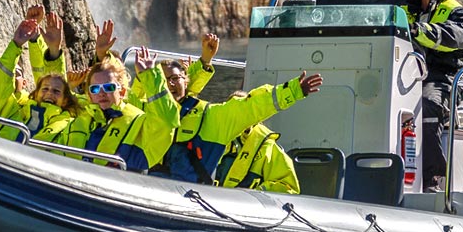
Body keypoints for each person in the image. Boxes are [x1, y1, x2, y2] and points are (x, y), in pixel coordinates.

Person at [156, 54, 323, 186]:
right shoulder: (146, 112)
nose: (170, 85)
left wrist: (293, 91)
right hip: (152, 187)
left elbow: (251, 107)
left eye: (175, 79)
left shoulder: (211, 116)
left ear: (185, 81)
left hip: (185, 194)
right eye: (163, 81)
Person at [401, 0, 463, 192]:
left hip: (443, 79)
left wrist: (419, 30)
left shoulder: (458, 13)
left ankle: (432, 181)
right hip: (404, 76)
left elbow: (457, 37)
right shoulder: (402, 11)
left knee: (427, 105)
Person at [65, 48, 179, 173]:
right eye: (95, 89)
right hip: (71, 183)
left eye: (109, 87)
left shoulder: (138, 121)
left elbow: (167, 122)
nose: (102, 93)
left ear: (122, 91)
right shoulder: (79, 119)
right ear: (89, 95)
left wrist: (150, 76)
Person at [0, 10, 80, 144]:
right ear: (35, 93)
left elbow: (56, 79)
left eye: (56, 92)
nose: (49, 93)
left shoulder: (70, 126)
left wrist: (54, 50)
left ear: (65, 101)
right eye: (44, 89)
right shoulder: (13, 113)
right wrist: (15, 44)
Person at [216, 117, 300, 195]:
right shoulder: (214, 137)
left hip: (246, 209)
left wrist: (257, 193)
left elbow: (289, 190)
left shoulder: (267, 147)